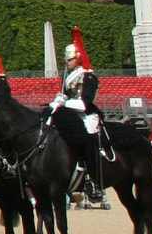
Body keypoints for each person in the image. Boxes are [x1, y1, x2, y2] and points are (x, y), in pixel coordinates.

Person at [46, 25, 107, 195]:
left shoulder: (88, 77)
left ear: (78, 58)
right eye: (66, 60)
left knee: (88, 137)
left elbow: (86, 102)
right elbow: (66, 95)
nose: (67, 63)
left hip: (87, 115)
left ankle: (93, 178)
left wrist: (64, 104)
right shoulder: (69, 76)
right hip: (71, 113)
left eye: (70, 60)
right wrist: (57, 100)